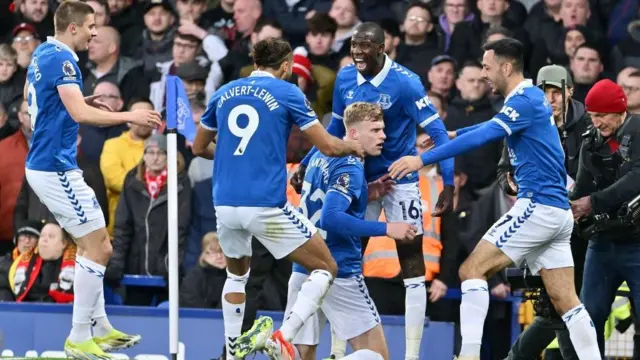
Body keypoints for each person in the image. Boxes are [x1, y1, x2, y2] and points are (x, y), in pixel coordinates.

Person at [388, 37, 600, 360]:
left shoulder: (526, 99)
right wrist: (454, 134)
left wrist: (421, 160)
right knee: (566, 301)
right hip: (558, 215)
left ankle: (469, 355)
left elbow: (488, 134)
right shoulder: (528, 99)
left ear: (505, 66)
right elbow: (488, 126)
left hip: (537, 207)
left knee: (471, 269)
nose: (484, 74)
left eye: (487, 67)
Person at [191, 37, 365, 360]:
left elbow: (198, 148)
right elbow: (327, 146)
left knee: (236, 275)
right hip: (266, 204)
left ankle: (231, 353)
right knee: (326, 266)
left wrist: (233, 159)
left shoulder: (224, 92)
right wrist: (352, 147)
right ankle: (283, 337)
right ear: (285, 66)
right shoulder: (287, 92)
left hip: (225, 204)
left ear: (254, 62)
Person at [291, 22, 455, 360]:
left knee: (413, 267)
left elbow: (439, 132)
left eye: (364, 46)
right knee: (347, 262)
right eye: (353, 45)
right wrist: (308, 160)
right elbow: (335, 127)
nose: (356, 52)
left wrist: (449, 182)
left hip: (401, 182)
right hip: (360, 181)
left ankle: (411, 355)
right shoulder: (346, 79)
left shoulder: (406, 83)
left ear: (382, 48)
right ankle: (338, 349)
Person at [23, 1, 162, 358]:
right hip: (54, 167)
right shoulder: (64, 59)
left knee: (102, 246)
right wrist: (131, 114)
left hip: (52, 163)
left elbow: (40, 100)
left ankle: (98, 326)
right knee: (96, 248)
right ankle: (79, 335)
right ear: (72, 28)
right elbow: (79, 113)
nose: (94, 32)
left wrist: (76, 101)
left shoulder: (42, 53)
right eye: (90, 26)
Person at [264, 102, 416, 360]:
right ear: (354, 134)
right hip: (339, 270)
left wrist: (366, 193)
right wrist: (388, 228)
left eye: (382, 129)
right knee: (376, 357)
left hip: (304, 267)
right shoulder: (350, 164)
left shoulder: (320, 156)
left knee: (301, 354)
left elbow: (324, 201)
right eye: (375, 130)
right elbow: (332, 218)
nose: (383, 136)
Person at [501, 65, 590, 360]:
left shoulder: (589, 124)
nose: (550, 99)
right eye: (544, 93)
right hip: (542, 221)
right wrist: (510, 183)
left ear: (570, 91)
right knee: (560, 304)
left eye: (556, 92)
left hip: (584, 228)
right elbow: (504, 168)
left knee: (563, 304)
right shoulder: (523, 119)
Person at [570, 79, 640, 358]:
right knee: (589, 316)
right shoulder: (590, 144)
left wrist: (593, 202)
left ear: (618, 110)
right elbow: (582, 187)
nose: (596, 122)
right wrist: (571, 207)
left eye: (601, 115)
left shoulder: (639, 131)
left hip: (637, 242)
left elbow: (638, 176)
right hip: (602, 241)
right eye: (592, 116)